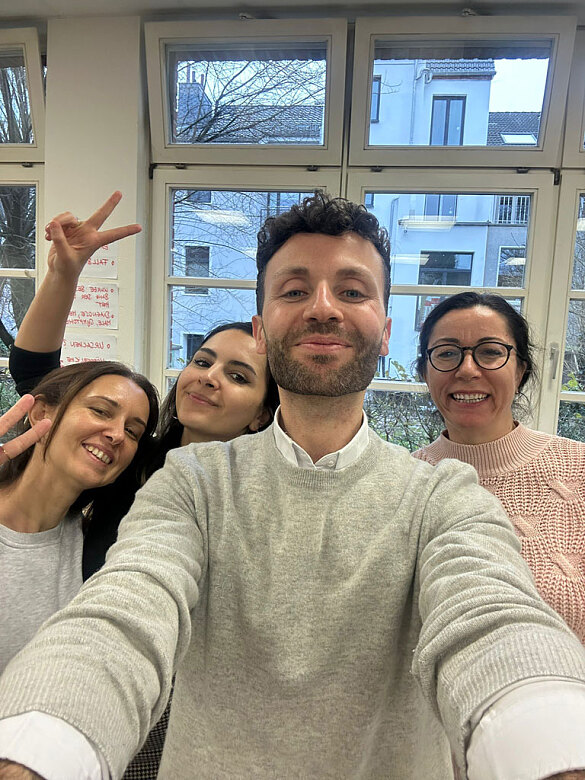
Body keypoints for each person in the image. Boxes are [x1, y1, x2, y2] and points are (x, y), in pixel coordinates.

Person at [1, 193, 585, 780]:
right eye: (294, 290)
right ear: (261, 330)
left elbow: (490, 619)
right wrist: (39, 752)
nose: (323, 308)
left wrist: (549, 745)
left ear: (385, 332)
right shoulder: (191, 483)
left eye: (351, 291)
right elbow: (124, 614)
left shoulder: (443, 495)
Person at [7, 192, 278, 779]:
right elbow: (37, 377)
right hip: (93, 682)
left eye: (237, 375)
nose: (208, 377)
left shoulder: (262, 501)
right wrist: (65, 274)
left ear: (261, 414)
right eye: (202, 361)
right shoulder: (130, 459)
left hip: (198, 713)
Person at [412, 291, 585, 644]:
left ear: (520, 370)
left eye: (490, 352)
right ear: (424, 373)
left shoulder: (578, 468)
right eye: (447, 353)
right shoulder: (402, 482)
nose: (467, 370)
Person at [0, 359, 159, 676]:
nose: (117, 435)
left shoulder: (97, 551)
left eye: (132, 431)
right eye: (101, 411)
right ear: (41, 413)